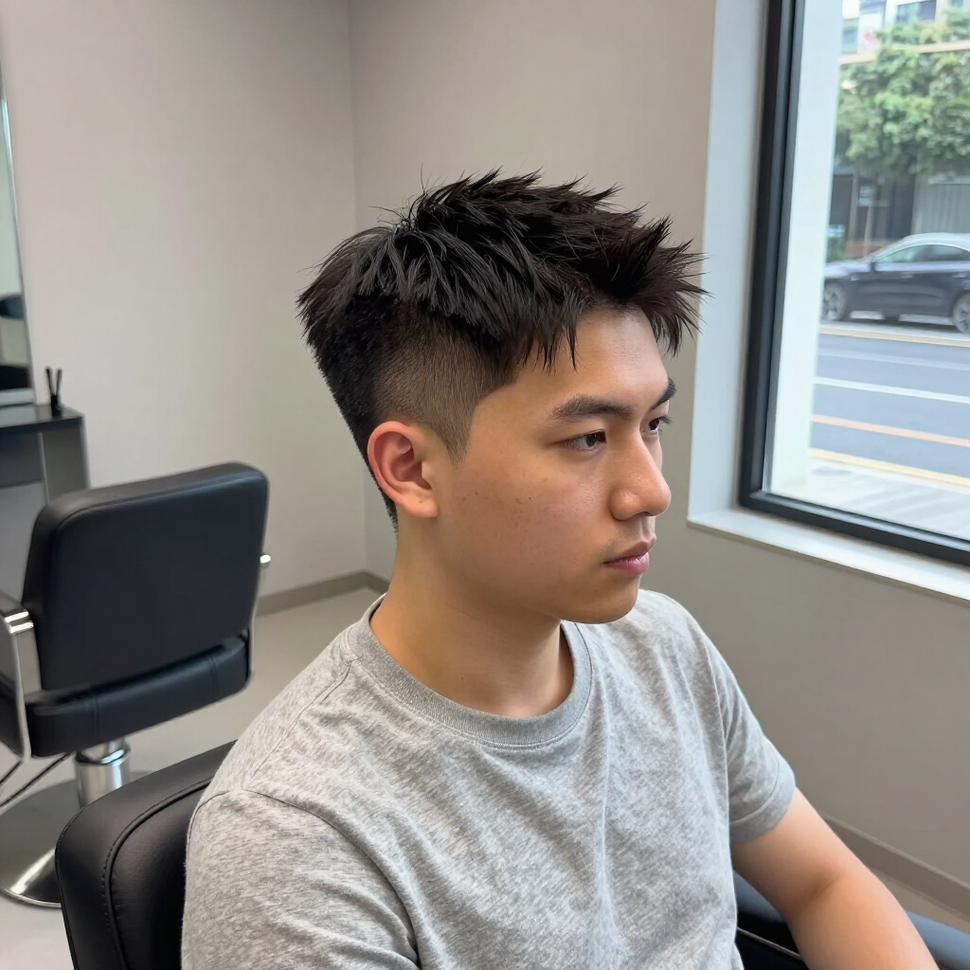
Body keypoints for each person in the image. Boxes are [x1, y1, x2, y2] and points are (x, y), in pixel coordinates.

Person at [182, 172, 935, 969]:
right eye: (587, 440)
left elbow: (823, 884)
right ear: (411, 469)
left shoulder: (665, 645)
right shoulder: (296, 841)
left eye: (653, 424)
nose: (653, 489)